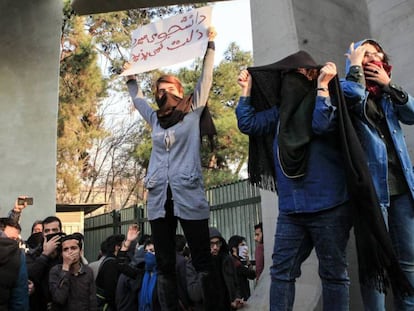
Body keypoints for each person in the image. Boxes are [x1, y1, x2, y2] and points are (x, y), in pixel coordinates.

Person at [236, 51, 352, 310]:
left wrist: (322, 86)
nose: (291, 79)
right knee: (281, 273)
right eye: (287, 74)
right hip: (291, 210)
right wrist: (246, 90)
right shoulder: (279, 113)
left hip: (329, 207)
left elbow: (322, 125)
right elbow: (248, 123)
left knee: (334, 275)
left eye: (298, 73)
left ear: (311, 74)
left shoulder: (326, 99)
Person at [123, 26, 217, 310]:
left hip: (188, 193)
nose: (163, 94)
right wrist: (130, 77)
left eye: (168, 90)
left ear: (179, 90)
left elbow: (206, 78)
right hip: (159, 198)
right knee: (164, 263)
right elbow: (138, 100)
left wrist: (210, 44)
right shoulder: (154, 119)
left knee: (201, 259)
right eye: (159, 91)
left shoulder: (193, 111)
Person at [342, 39, 414, 310]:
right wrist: (355, 67)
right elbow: (352, 97)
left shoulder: (388, 93)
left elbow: (412, 114)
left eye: (376, 53)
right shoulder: (346, 84)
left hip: (403, 190)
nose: (372, 58)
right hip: (371, 192)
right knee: (375, 267)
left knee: (408, 262)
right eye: (365, 54)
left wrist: (389, 85)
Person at [26, 215, 66, 311]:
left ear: (60, 231)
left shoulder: (66, 252)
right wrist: (45, 254)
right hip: (39, 305)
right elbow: (30, 275)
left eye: (54, 230)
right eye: (47, 231)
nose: (51, 234)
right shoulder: (34, 254)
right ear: (43, 234)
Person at [48, 234, 97, 310]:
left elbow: (92, 301)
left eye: (73, 248)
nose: (70, 252)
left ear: (80, 252)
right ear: (62, 254)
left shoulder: (88, 271)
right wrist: (66, 268)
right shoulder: (55, 271)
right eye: (65, 249)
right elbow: (59, 299)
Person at [0, 218, 29, 311]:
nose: (14, 244)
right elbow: (19, 299)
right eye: (11, 239)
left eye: (16, 240)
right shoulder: (19, 256)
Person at [228, 235, 256, 300]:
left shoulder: (237, 261)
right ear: (234, 248)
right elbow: (252, 274)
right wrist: (248, 263)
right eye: (242, 245)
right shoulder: (235, 263)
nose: (245, 248)